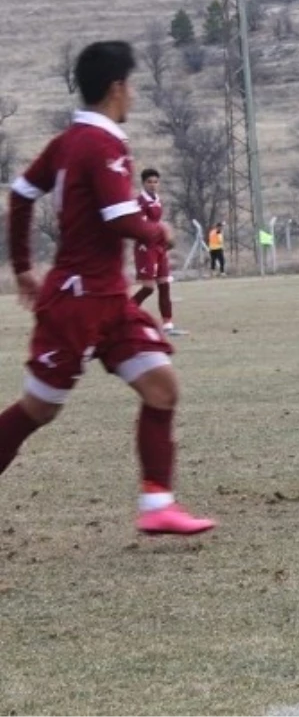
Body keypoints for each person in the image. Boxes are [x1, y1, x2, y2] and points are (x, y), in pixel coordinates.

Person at [0, 40, 215, 535]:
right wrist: (155, 230)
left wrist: (22, 266)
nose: (133, 95)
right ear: (118, 87)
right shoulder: (101, 143)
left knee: (161, 387)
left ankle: (158, 505)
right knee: (38, 409)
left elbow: (21, 195)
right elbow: (117, 215)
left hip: (108, 299)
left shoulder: (68, 141)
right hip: (76, 301)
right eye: (132, 85)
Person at [131, 168, 187, 336]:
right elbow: (142, 227)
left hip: (159, 247)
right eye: (150, 182)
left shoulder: (156, 200)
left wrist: (165, 239)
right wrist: (164, 230)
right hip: (145, 247)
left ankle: (168, 325)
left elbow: (157, 222)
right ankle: (122, 314)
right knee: (148, 288)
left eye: (156, 182)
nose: (153, 185)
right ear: (143, 183)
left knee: (164, 285)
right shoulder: (140, 202)